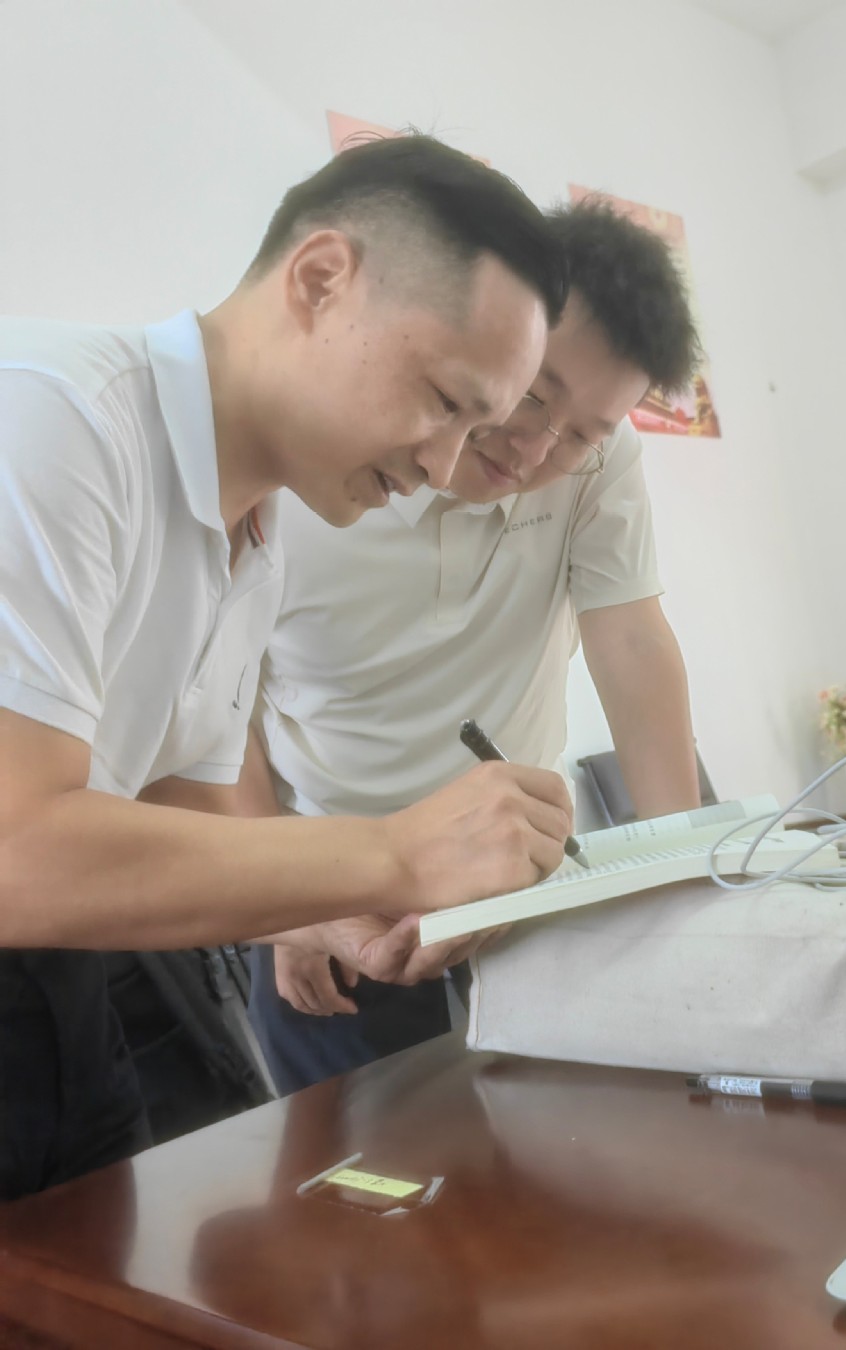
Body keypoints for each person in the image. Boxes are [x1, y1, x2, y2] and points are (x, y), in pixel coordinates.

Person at [0, 134, 575, 1201]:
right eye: (444, 401)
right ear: (319, 279)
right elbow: (15, 849)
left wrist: (332, 911)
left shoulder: (258, 532)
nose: (441, 466)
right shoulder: (49, 420)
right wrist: (391, 853)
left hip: (64, 996)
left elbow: (180, 802)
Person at [243, 198, 705, 1093]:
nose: (537, 448)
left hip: (514, 875)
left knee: (569, 1135)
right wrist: (285, 903)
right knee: (370, 1161)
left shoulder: (596, 463)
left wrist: (682, 875)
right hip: (339, 884)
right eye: (533, 394)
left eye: (584, 432)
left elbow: (631, 641)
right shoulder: (310, 476)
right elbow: (223, 712)